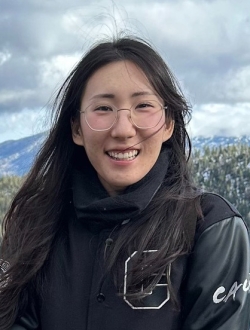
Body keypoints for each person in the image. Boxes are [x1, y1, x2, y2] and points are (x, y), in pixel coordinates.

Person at [0, 36, 249, 330]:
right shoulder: (37, 224)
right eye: (103, 108)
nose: (123, 129)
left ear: (168, 123)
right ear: (76, 128)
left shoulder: (209, 227)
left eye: (143, 105)